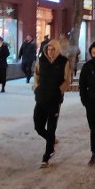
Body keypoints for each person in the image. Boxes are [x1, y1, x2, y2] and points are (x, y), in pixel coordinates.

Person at [32, 39, 71, 167]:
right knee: (38, 126)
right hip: (41, 98)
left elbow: (67, 80)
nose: (51, 51)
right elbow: (36, 76)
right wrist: (36, 88)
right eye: (49, 49)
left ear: (58, 50)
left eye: (53, 49)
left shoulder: (63, 62)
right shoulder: (41, 61)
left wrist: (59, 91)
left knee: (51, 127)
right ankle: (51, 139)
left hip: (54, 100)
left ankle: (47, 155)